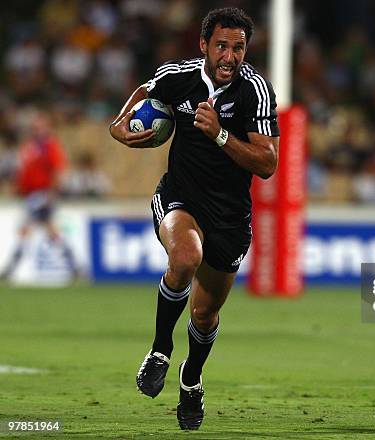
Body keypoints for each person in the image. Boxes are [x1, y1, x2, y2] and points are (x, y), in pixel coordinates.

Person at [109, 8, 279, 430]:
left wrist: (219, 133)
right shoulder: (176, 77)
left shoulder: (256, 91)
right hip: (180, 197)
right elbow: (142, 93)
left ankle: (191, 378)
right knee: (184, 258)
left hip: (230, 217)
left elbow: (268, 162)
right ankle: (160, 349)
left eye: (238, 48)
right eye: (221, 46)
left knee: (204, 315)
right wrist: (119, 128)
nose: (229, 56)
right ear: (203, 45)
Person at [1, 111, 79, 281]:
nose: (35, 129)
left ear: (46, 127)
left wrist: (51, 194)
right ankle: (74, 266)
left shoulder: (49, 146)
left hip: (42, 194)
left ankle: (11, 267)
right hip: (31, 194)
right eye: (34, 126)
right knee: (51, 231)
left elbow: (58, 170)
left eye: (38, 126)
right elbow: (24, 171)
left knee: (26, 228)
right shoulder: (30, 146)